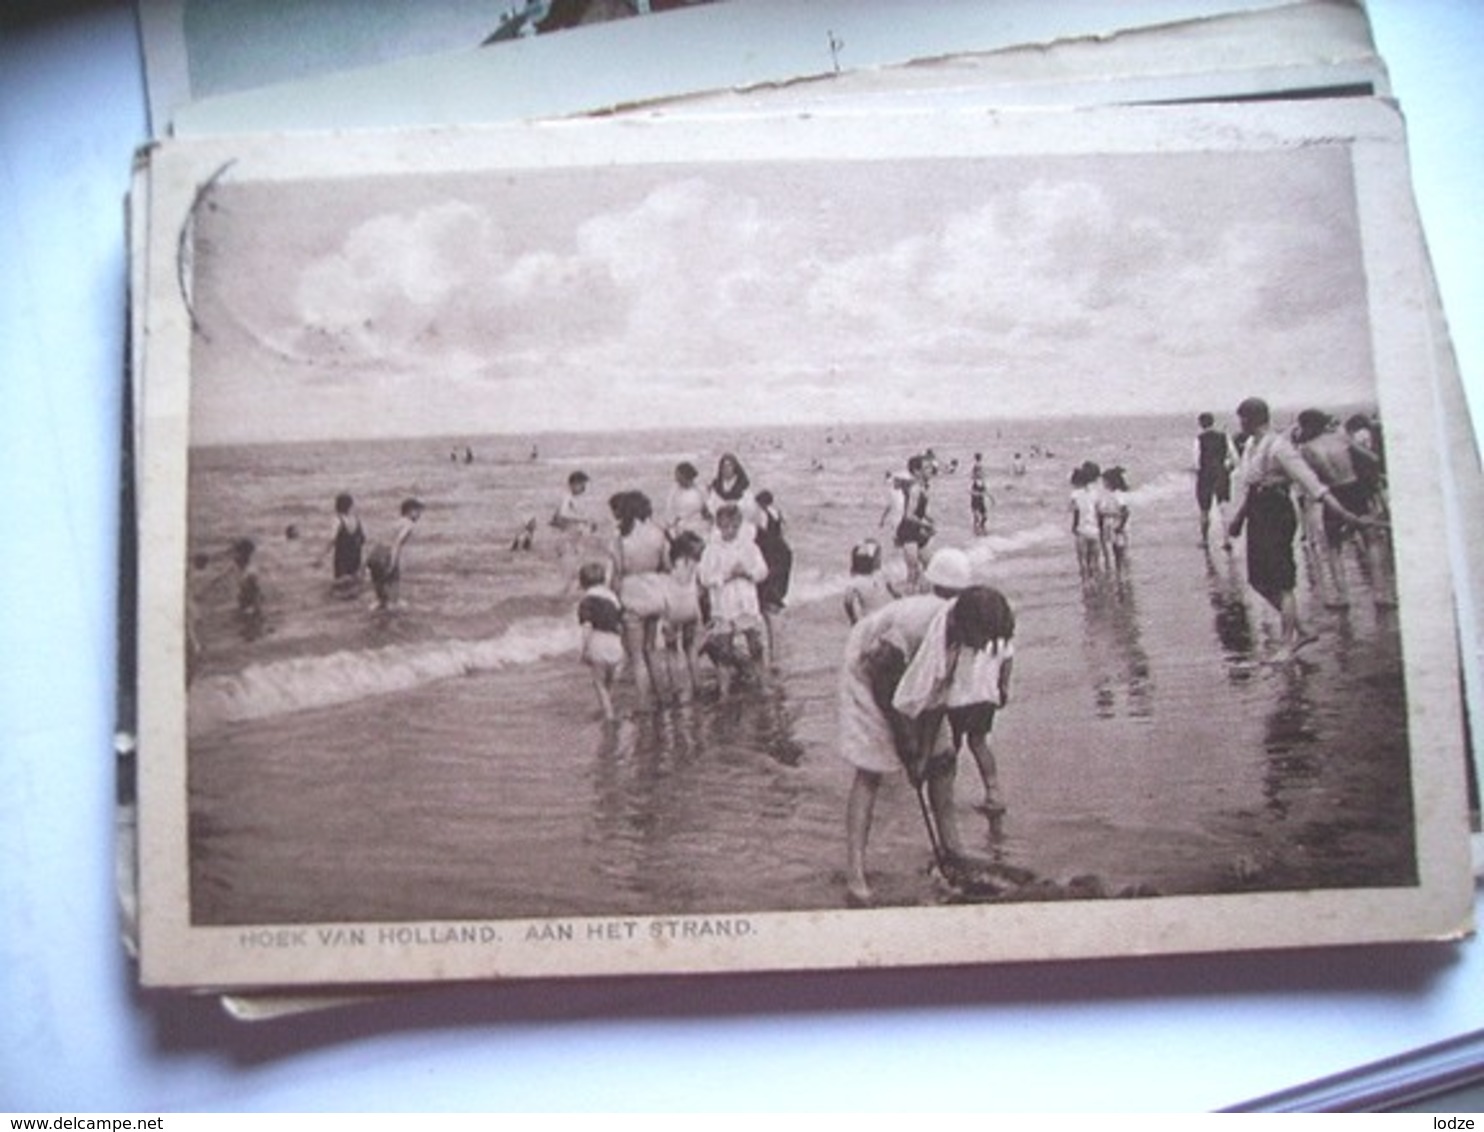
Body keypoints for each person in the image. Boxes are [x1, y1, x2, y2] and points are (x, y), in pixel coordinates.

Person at [838, 572, 996, 908]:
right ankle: (856, 873)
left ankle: (952, 851)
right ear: (966, 624)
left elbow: (936, 698)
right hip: (867, 671)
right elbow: (884, 683)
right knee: (871, 771)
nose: (984, 648)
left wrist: (924, 754)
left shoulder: (958, 635)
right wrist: (907, 744)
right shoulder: (914, 628)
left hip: (901, 677)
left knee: (943, 761)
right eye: (982, 639)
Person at [1227, 398, 1375, 656]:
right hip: (1257, 510)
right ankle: (1303, 630)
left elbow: (1311, 483)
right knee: (1257, 580)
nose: (1240, 424)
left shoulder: (1279, 447)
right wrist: (1239, 519)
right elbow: (1252, 485)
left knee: (1282, 580)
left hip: (1278, 511)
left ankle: (1288, 643)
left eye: (1243, 419)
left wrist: (1343, 512)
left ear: (1252, 419)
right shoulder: (1251, 445)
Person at [1292, 409, 1392, 608]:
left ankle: (1342, 596)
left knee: (1334, 547)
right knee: (1371, 540)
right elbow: (1372, 458)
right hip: (1355, 489)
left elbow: (1308, 478)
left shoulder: (1305, 449)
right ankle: (1380, 594)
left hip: (1333, 494)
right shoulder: (1340, 438)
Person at [941, 586, 1016, 816]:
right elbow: (1007, 663)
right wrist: (1003, 687)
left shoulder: (961, 642)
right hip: (985, 699)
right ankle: (993, 791)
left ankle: (945, 793)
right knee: (979, 743)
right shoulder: (1000, 642)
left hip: (956, 701)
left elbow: (948, 670)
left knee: (949, 748)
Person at [698, 502, 770, 690]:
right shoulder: (712, 549)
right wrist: (726, 576)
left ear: (739, 525)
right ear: (718, 526)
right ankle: (725, 691)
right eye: (724, 526)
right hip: (723, 604)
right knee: (724, 650)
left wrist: (747, 573)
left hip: (746, 603)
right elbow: (704, 578)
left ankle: (763, 685)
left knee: (756, 646)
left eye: (733, 526)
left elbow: (763, 571)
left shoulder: (749, 546)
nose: (728, 531)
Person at [609, 490, 670, 699]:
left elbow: (617, 574)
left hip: (632, 592)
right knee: (651, 650)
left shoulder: (621, 537)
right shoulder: (657, 532)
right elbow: (667, 565)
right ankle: (662, 696)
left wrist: (613, 603)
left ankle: (644, 702)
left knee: (636, 657)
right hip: (654, 591)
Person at [575, 561, 624, 722]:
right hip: (615, 642)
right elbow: (620, 622)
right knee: (609, 680)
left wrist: (584, 649)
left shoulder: (586, 601)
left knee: (598, 683)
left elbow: (587, 627)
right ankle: (608, 706)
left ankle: (609, 715)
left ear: (582, 583)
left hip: (598, 642)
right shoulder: (613, 598)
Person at [662, 530, 706, 699]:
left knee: (672, 650)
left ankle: (676, 689)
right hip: (691, 609)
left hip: (672, 610)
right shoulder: (696, 565)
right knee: (691, 649)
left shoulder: (670, 565)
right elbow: (702, 589)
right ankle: (697, 685)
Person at [882, 455, 934, 590]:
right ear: (917, 471)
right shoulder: (915, 489)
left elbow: (918, 510)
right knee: (913, 570)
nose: (931, 470)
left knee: (931, 566)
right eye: (926, 468)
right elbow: (909, 515)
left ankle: (924, 594)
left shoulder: (922, 487)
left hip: (917, 529)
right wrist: (925, 524)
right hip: (908, 530)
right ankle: (908, 599)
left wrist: (928, 518)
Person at [366, 498, 423, 611]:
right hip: (387, 554)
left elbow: (381, 540)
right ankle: (391, 623)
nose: (419, 515)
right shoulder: (409, 524)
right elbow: (397, 543)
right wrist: (393, 563)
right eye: (417, 511)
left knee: (380, 599)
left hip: (375, 554)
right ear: (409, 511)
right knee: (394, 599)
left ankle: (374, 619)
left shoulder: (396, 522)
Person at [1194, 412, 1236, 549]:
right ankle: (1227, 540)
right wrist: (1227, 468)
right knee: (1223, 507)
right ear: (1213, 422)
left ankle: (1205, 540)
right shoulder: (1224, 437)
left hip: (1205, 475)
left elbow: (1196, 462)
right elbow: (1234, 458)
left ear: (1200, 423)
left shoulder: (1199, 439)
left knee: (1204, 509)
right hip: (1221, 474)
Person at [315, 492, 365, 595]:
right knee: (354, 584)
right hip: (356, 556)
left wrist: (320, 557)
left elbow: (332, 540)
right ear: (350, 505)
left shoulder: (337, 520)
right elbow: (363, 539)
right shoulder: (356, 519)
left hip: (342, 557)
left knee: (340, 587)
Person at [843, 538, 899, 625]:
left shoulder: (880, 574)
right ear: (869, 560)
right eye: (878, 557)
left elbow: (848, 601)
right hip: (876, 619)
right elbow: (847, 601)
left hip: (876, 618)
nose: (880, 559)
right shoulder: (858, 582)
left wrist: (853, 618)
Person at [1069, 462, 1103, 583]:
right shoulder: (1094, 493)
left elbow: (1075, 512)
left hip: (1082, 530)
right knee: (1095, 559)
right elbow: (1099, 512)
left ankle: (1086, 582)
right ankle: (1096, 580)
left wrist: (1074, 527)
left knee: (1083, 560)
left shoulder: (1075, 495)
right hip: (1094, 530)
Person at [706, 452, 756, 526]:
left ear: (735, 467)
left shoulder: (743, 485)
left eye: (729, 466)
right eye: (724, 467)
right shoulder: (717, 486)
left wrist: (735, 508)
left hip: (740, 524)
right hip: (720, 525)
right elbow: (711, 505)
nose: (727, 469)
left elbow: (750, 508)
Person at [1098, 466, 1131, 574]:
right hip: (1113, 525)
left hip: (1118, 526)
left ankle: (1123, 573)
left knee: (1120, 551)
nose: (1103, 484)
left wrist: (1120, 527)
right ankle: (1121, 572)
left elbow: (1125, 512)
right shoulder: (1110, 495)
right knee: (1117, 550)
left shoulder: (1117, 495)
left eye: (1104, 481)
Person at [665, 461, 710, 539]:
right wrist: (672, 523)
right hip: (679, 526)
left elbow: (707, 509)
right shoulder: (674, 490)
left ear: (686, 476)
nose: (676, 479)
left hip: (697, 525)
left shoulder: (700, 490)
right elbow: (669, 508)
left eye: (679, 476)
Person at [969, 452, 995, 537]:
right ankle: (977, 529)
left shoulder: (982, 482)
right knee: (976, 516)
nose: (982, 473)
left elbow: (986, 491)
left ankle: (981, 527)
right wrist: (978, 493)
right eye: (980, 472)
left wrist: (991, 498)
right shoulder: (974, 482)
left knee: (985, 516)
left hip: (980, 500)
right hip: (975, 500)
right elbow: (970, 491)